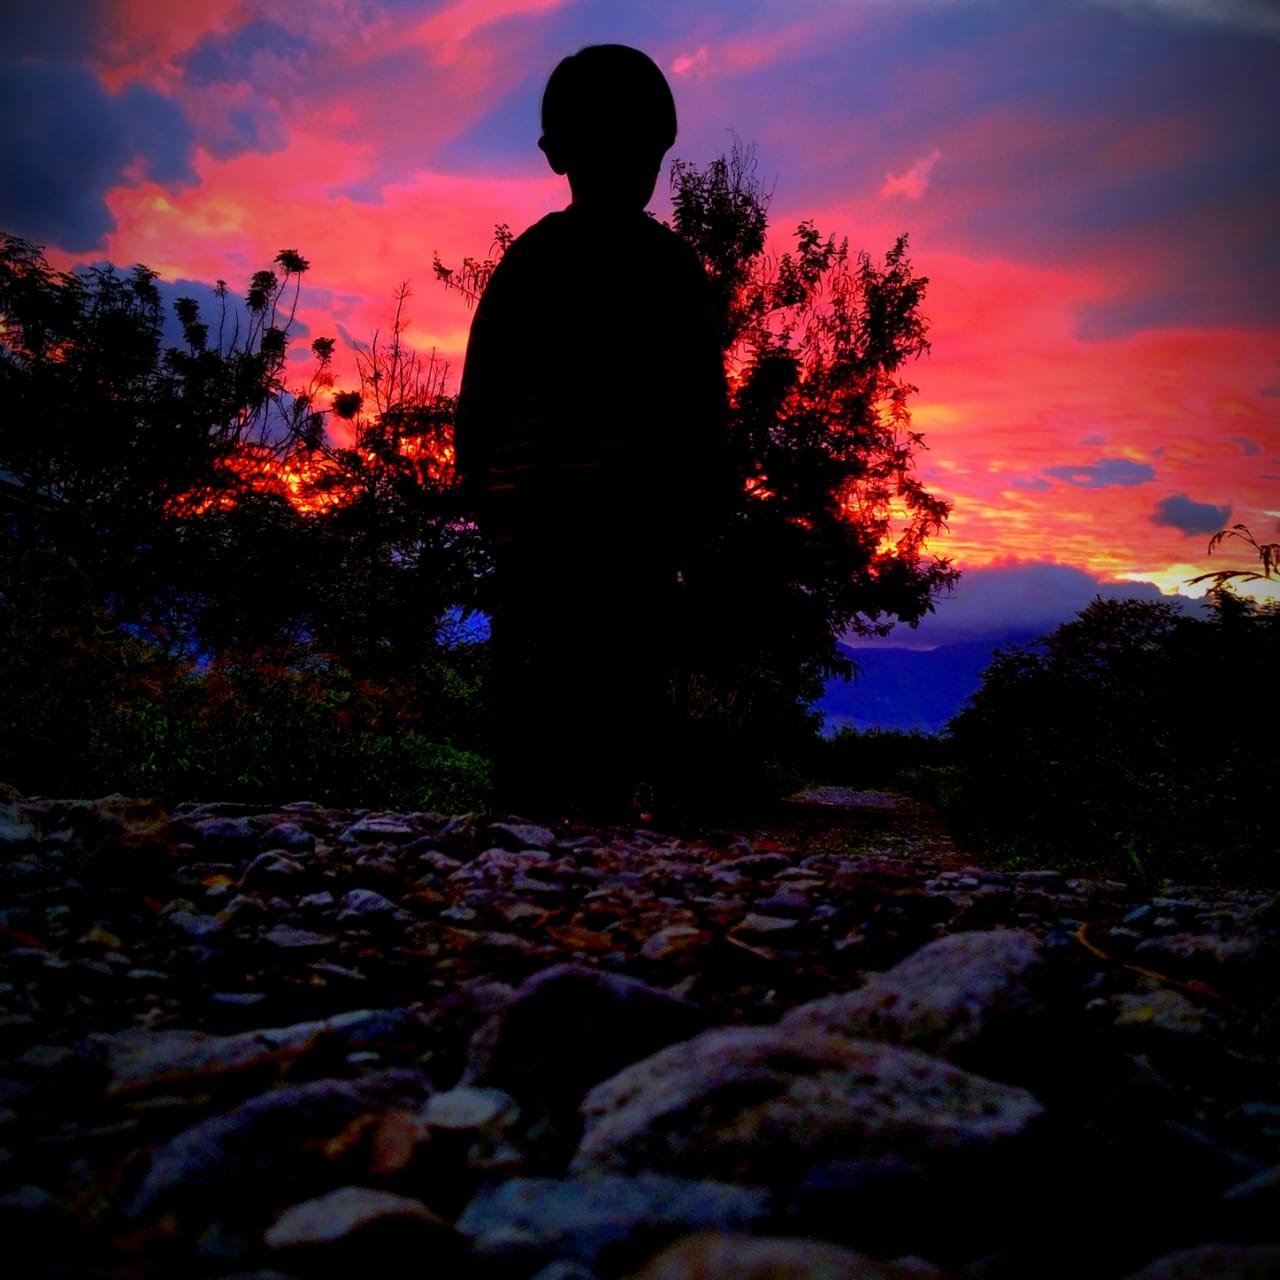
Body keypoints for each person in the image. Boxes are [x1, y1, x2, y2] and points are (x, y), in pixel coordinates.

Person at [454, 43, 729, 822]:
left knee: (538, 670)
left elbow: (479, 395)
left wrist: (485, 495)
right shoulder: (670, 268)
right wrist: (698, 515)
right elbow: (703, 410)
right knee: (618, 669)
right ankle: (596, 815)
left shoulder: (530, 262)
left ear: (554, 152)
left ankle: (529, 821)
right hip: (631, 520)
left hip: (538, 518)